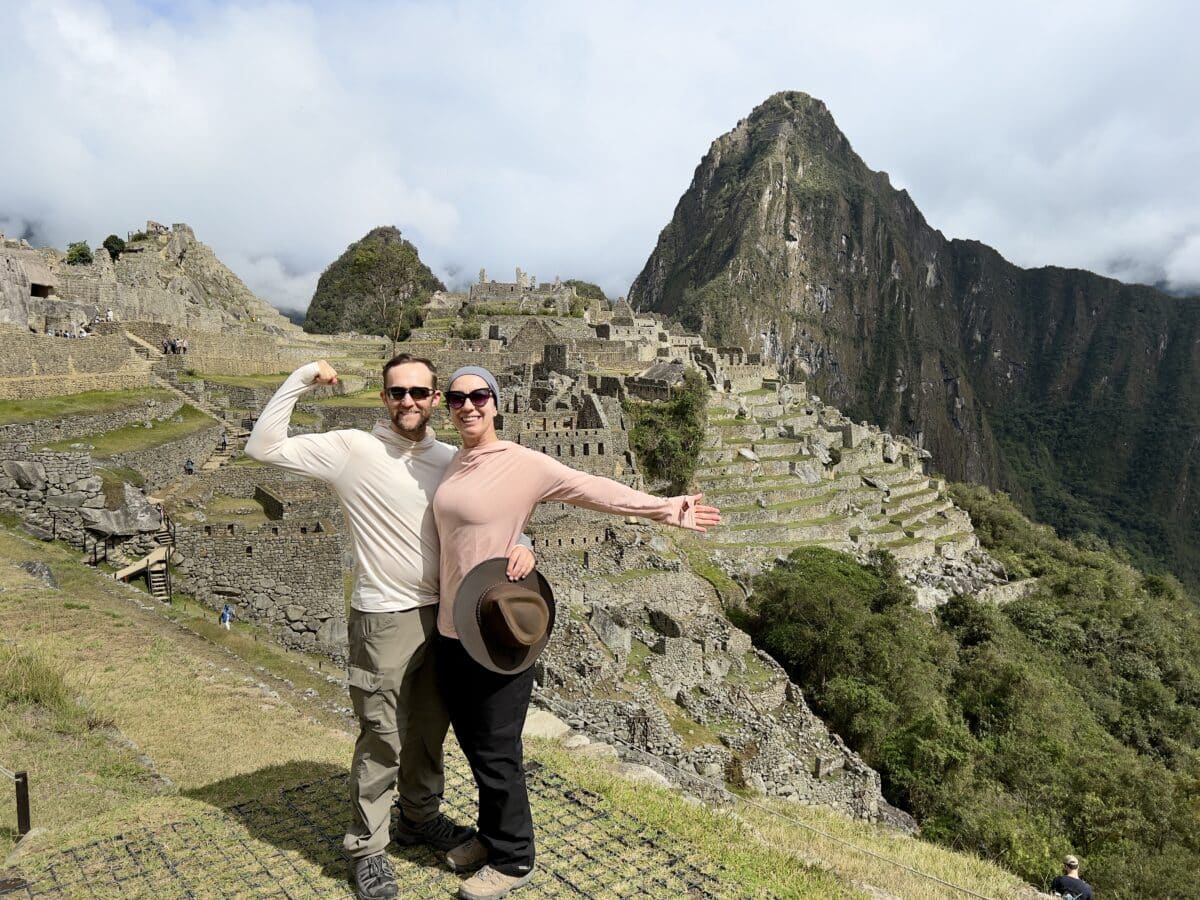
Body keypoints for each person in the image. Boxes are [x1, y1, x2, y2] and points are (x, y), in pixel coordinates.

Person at [244, 355, 535, 900]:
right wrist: (304, 378)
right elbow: (262, 446)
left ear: (433, 400)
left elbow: (494, 512)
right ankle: (367, 847)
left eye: (420, 392)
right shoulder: (353, 448)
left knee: (429, 732)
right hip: (384, 616)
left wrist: (521, 544)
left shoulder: (449, 458)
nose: (408, 401)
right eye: (397, 392)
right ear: (384, 397)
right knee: (382, 735)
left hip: (447, 618)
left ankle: (418, 819)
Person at [432, 365, 721, 900]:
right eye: (457, 398)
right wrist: (524, 537)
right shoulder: (452, 463)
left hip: (496, 629)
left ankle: (515, 860)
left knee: (498, 749)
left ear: (496, 403)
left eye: (478, 396)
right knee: (473, 743)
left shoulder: (523, 463)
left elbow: (593, 490)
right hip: (451, 627)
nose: (467, 406)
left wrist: (666, 508)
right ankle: (493, 838)